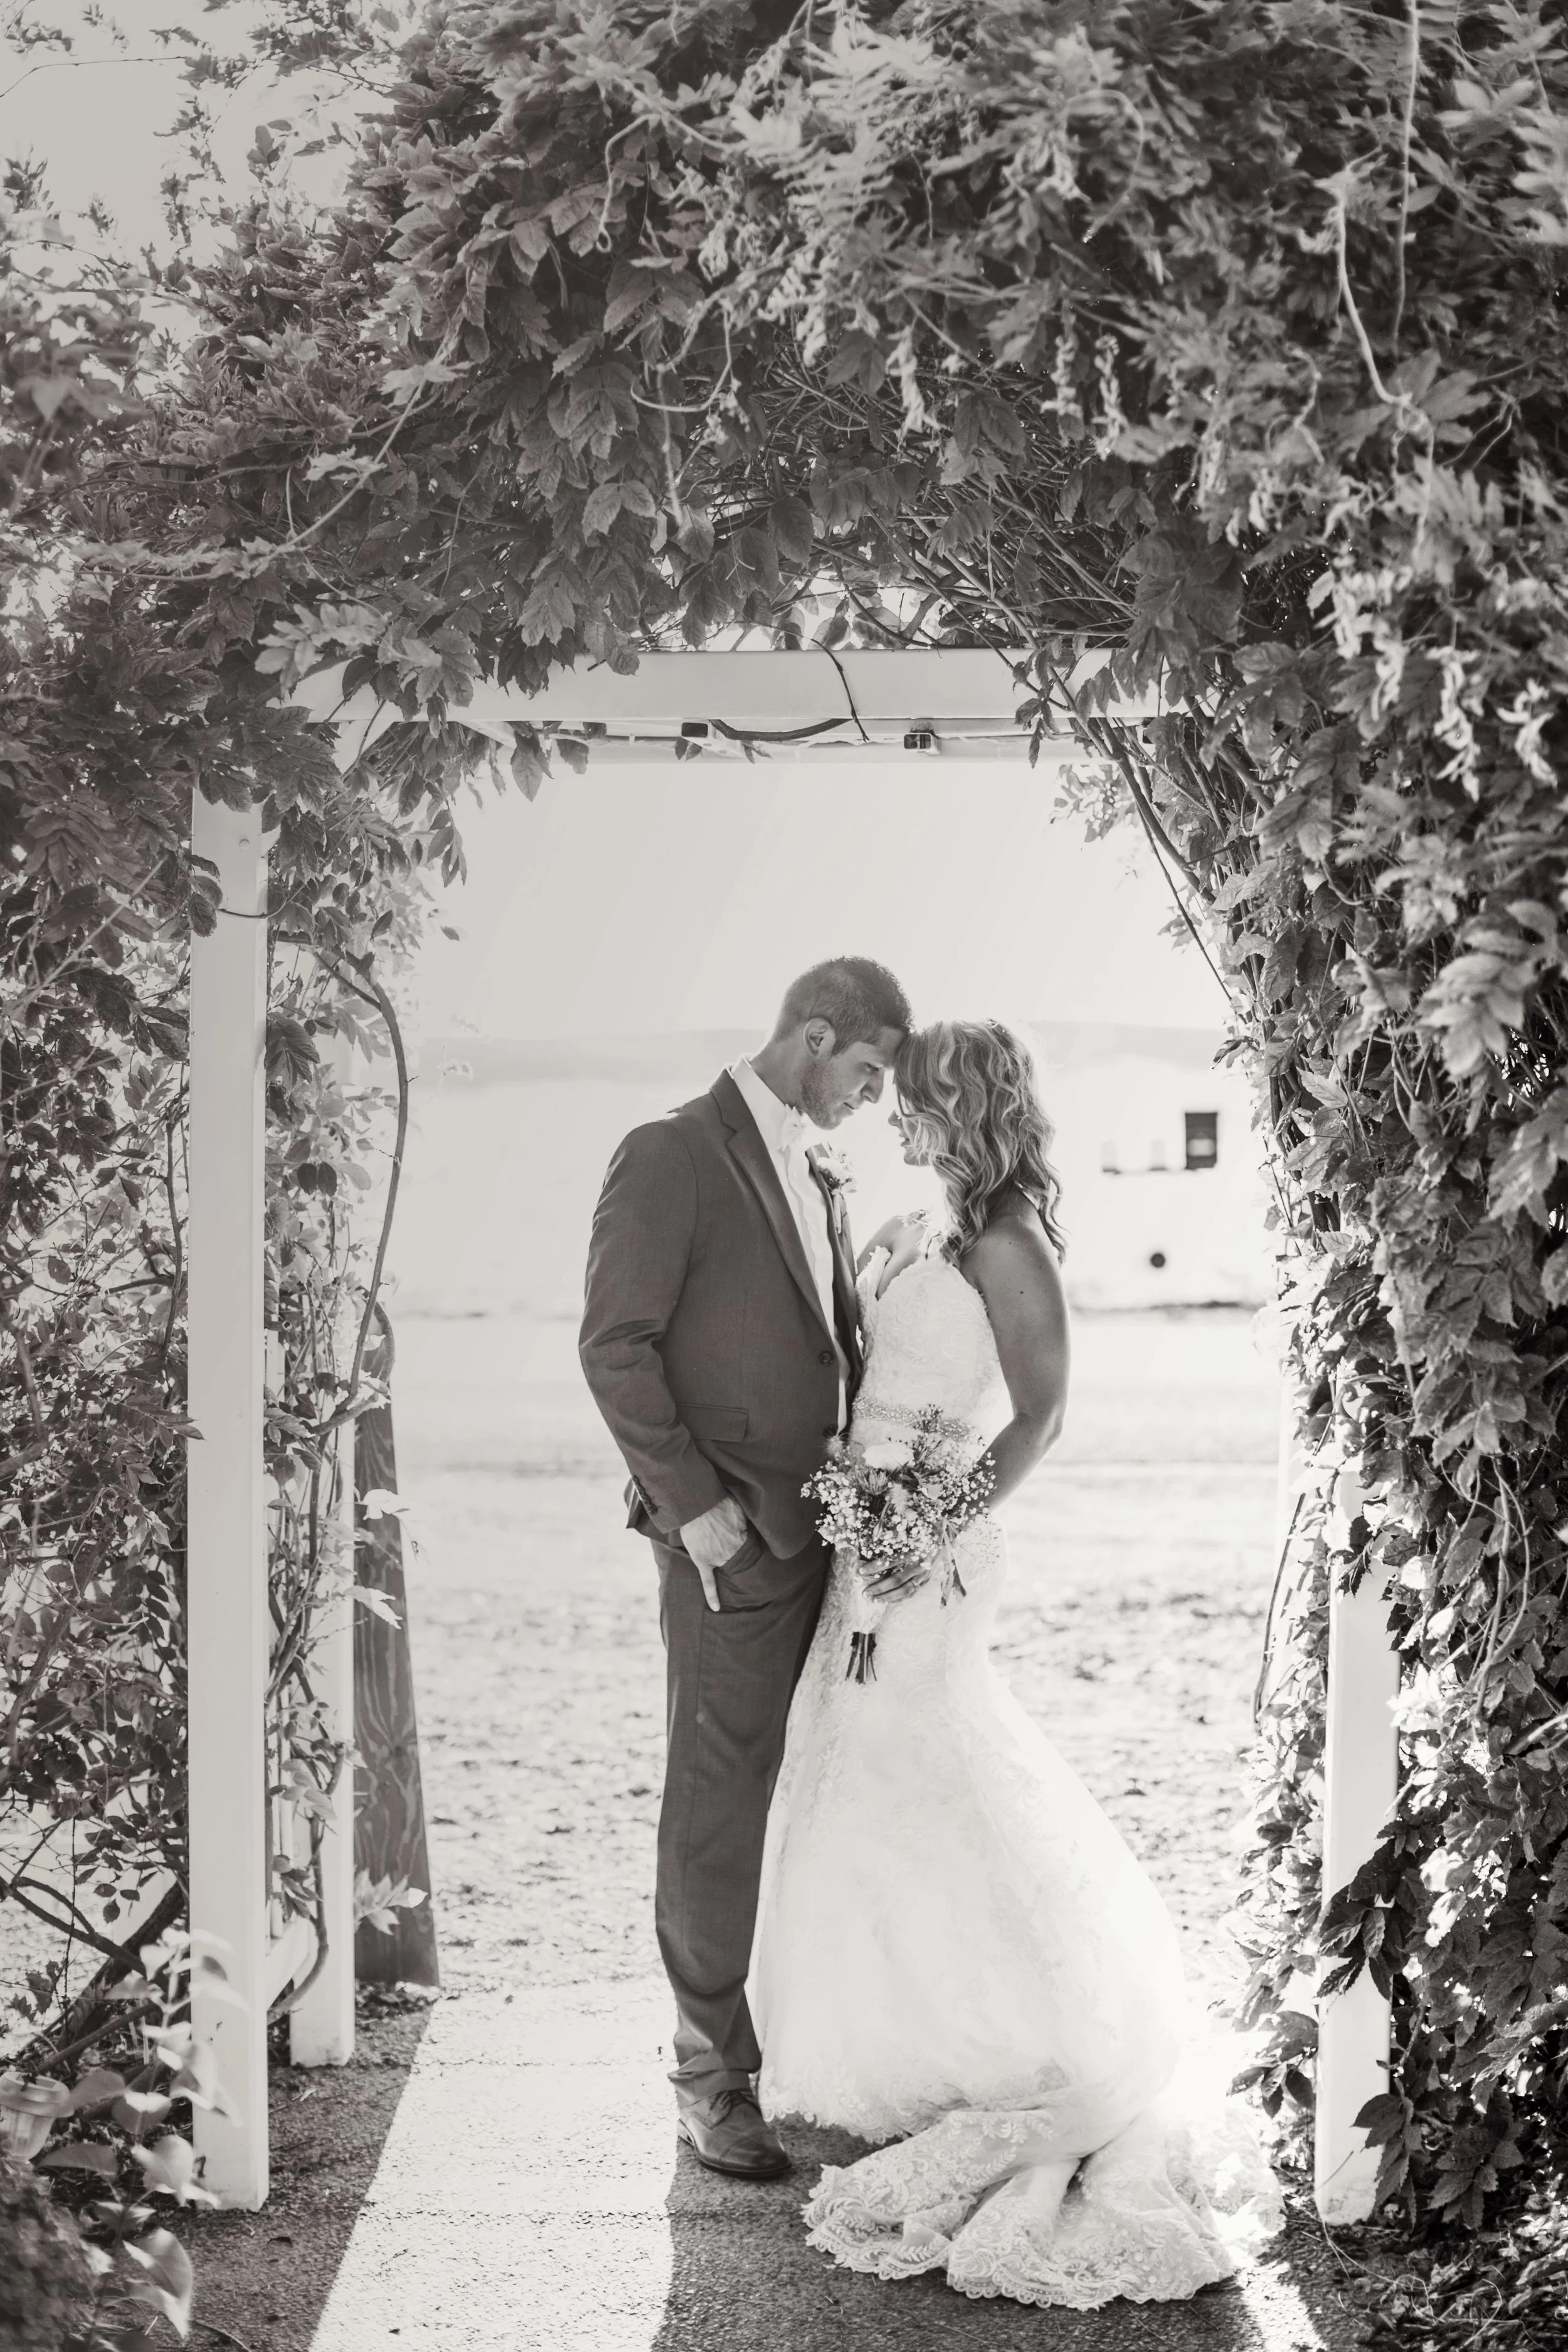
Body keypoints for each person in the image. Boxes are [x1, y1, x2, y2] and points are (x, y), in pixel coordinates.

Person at [750, 1019, 1281, 2307]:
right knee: (860, 1777)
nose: (899, 1122)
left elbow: (1040, 1415)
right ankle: (907, 2046)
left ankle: (1016, 2042)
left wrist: (924, 1529)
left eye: (919, 1103)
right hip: (866, 1548)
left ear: (969, 1104)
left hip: (928, 1560)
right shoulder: (940, 1226)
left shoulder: (1007, 1241)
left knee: (935, 1768)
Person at [580, 956, 911, 2180]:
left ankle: (798, 2050)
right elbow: (614, 1346)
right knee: (715, 1809)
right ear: (815, 1035)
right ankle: (706, 2076)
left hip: (827, 1535)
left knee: (816, 1799)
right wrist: (695, 1508)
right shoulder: (666, 1152)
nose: (870, 1100)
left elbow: (810, 1336)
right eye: (865, 1073)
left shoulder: (815, 1163)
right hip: (732, 1548)